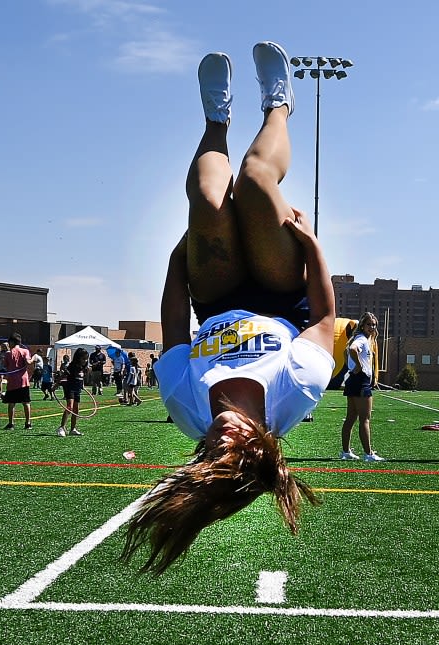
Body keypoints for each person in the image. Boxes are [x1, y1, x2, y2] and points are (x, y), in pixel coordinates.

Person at [120, 42, 336, 575]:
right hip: (278, 293)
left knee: (208, 199)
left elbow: (174, 328)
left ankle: (216, 117)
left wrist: (178, 262)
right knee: (256, 181)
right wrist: (311, 247)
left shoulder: (185, 405)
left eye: (206, 457)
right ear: (262, 450)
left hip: (214, 297)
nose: (218, 443)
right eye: (233, 453)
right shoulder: (296, 392)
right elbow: (325, 320)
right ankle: (279, 105)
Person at [340, 312, 384, 461]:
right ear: (362, 326)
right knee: (365, 419)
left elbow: (345, 353)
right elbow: (352, 349)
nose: (372, 327)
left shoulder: (365, 339)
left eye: (374, 324)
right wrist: (358, 365)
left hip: (354, 380)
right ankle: (369, 454)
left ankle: (346, 452)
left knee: (351, 418)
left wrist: (352, 366)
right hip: (360, 381)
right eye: (369, 324)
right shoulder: (361, 339)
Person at [1, 333, 34, 430]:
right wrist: (34, 358)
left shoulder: (8, 353)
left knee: (11, 403)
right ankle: (28, 423)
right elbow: (28, 362)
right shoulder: (25, 351)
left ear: (11, 342)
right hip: (23, 381)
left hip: (12, 382)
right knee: (26, 402)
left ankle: (11, 424)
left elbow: (6, 366)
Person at [57, 348, 89, 437]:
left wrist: (82, 385)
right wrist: (55, 385)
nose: (85, 360)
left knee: (76, 409)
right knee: (69, 407)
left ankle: (73, 429)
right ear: (78, 358)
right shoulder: (72, 366)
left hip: (77, 389)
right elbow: (64, 375)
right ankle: (61, 427)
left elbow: (81, 378)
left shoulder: (84, 367)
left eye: (86, 358)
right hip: (70, 388)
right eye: (83, 358)